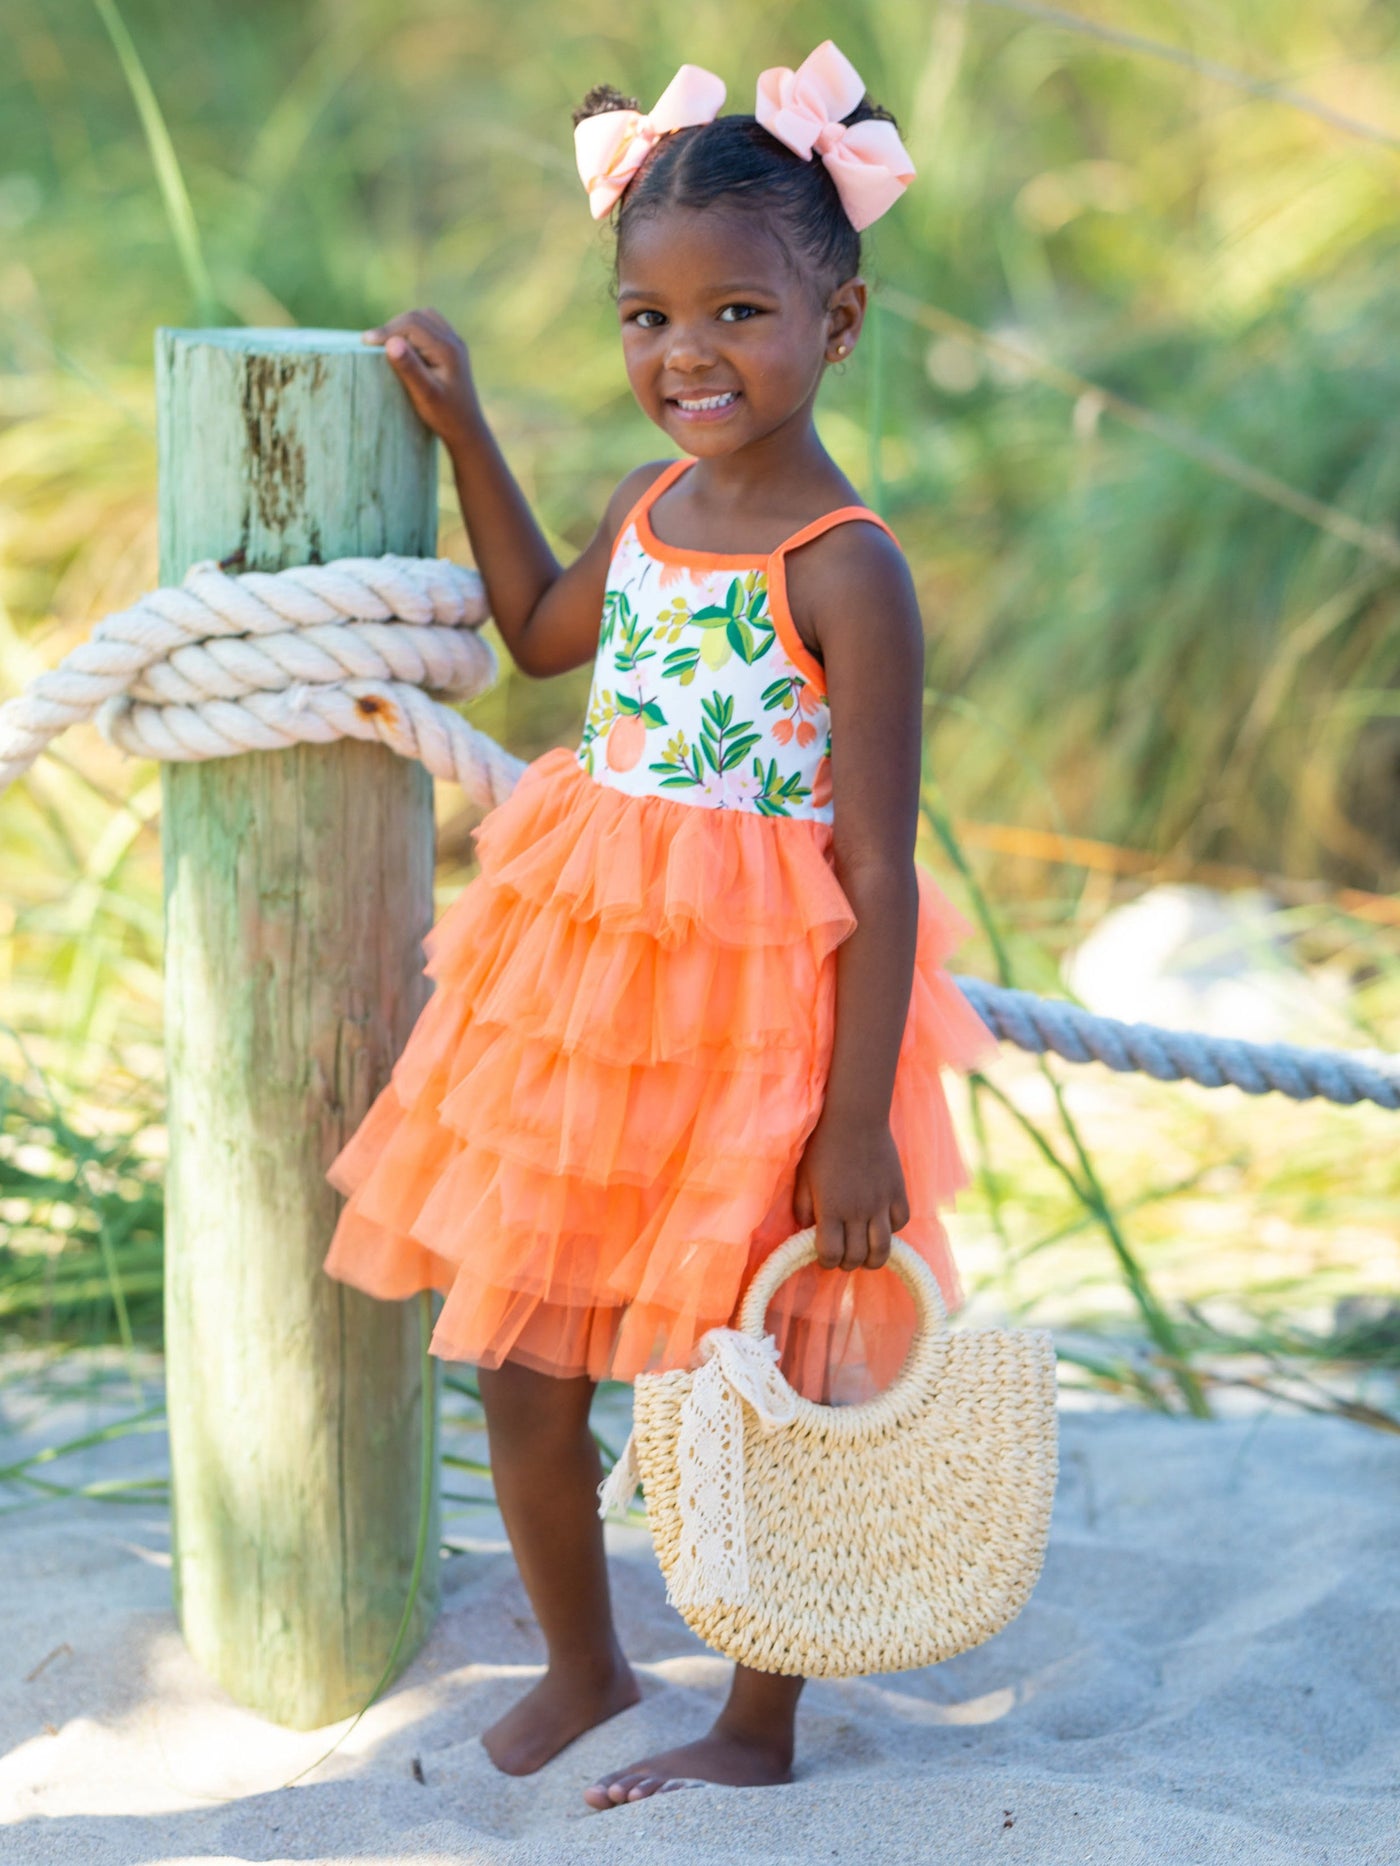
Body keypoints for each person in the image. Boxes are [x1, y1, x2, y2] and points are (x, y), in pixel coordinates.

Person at [324, 39, 998, 1809]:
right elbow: (546, 630)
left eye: (736, 316)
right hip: (590, 995)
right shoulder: (644, 508)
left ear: (834, 325)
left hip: (767, 1024)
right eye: (645, 319)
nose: (685, 356)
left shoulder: (849, 564)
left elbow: (880, 866)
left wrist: (856, 1121)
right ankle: (584, 1659)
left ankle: (754, 1724)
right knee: (526, 1363)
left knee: (757, 1377)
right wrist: (467, 428)